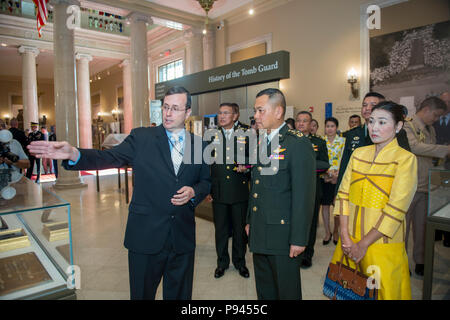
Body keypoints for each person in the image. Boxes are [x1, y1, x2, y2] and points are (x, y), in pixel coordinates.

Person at [28, 86, 211, 300]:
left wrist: (193, 192)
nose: (168, 113)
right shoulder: (142, 137)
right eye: (166, 107)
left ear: (188, 112)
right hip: (145, 236)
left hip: (182, 237)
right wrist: (74, 153)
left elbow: (206, 181)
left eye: (176, 109)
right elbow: (108, 158)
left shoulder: (199, 144)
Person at [331, 101, 418, 300]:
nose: (374, 128)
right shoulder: (358, 153)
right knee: (347, 291)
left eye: (381, 122)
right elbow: (343, 194)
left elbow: (396, 208)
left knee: (383, 293)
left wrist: (363, 244)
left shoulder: (405, 159)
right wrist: (344, 236)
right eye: (371, 122)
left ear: (398, 126)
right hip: (349, 240)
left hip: (381, 243)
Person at [246, 88, 316, 300]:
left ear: (278, 112)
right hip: (261, 229)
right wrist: (250, 219)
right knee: (265, 290)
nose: (256, 116)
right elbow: (257, 186)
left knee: (286, 291)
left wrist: (299, 238)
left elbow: (304, 196)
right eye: (255, 111)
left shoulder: (297, 143)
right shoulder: (263, 140)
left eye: (260, 110)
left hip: (284, 236)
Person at [403, 96, 450, 275]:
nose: (436, 120)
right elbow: (415, 147)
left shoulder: (430, 129)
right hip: (410, 186)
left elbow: (431, 154)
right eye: (436, 115)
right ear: (427, 109)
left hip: (425, 186)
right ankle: (402, 261)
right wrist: (445, 150)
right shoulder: (408, 126)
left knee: (422, 228)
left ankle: (421, 260)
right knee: (404, 229)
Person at [336, 92, 410, 193]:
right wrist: (338, 191)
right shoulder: (352, 133)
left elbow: (403, 165)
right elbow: (345, 164)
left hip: (382, 190)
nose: (367, 108)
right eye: (364, 105)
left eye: (373, 105)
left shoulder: (397, 132)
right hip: (355, 188)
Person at [210, 103, 250, 279]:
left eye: (226, 113)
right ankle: (222, 263)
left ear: (235, 116)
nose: (222, 116)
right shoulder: (212, 134)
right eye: (220, 113)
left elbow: (255, 157)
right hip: (218, 190)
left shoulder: (247, 133)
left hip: (239, 189)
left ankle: (240, 263)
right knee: (221, 230)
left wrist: (246, 166)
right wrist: (208, 188)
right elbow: (207, 164)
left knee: (240, 231)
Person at [295, 111, 329, 268]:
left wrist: (305, 167)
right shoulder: (287, 140)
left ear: (310, 124)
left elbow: (324, 164)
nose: (301, 123)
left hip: (312, 188)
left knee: (310, 221)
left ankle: (307, 254)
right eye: (299, 121)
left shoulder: (318, 142)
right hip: (291, 187)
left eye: (305, 121)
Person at [321, 117, 345, 245]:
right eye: (327, 126)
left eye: (332, 126)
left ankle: (336, 231)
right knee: (324, 206)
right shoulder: (321, 141)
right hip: (324, 177)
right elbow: (319, 159)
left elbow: (345, 159)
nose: (329, 129)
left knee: (337, 206)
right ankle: (327, 232)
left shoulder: (343, 141)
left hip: (338, 177)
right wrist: (326, 173)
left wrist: (337, 174)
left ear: (336, 127)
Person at [432, 92, 450, 246]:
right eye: (443, 101)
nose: (445, 105)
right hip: (436, 167)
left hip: (448, 166)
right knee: (437, 199)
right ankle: (436, 232)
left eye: (448, 101)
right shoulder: (433, 123)